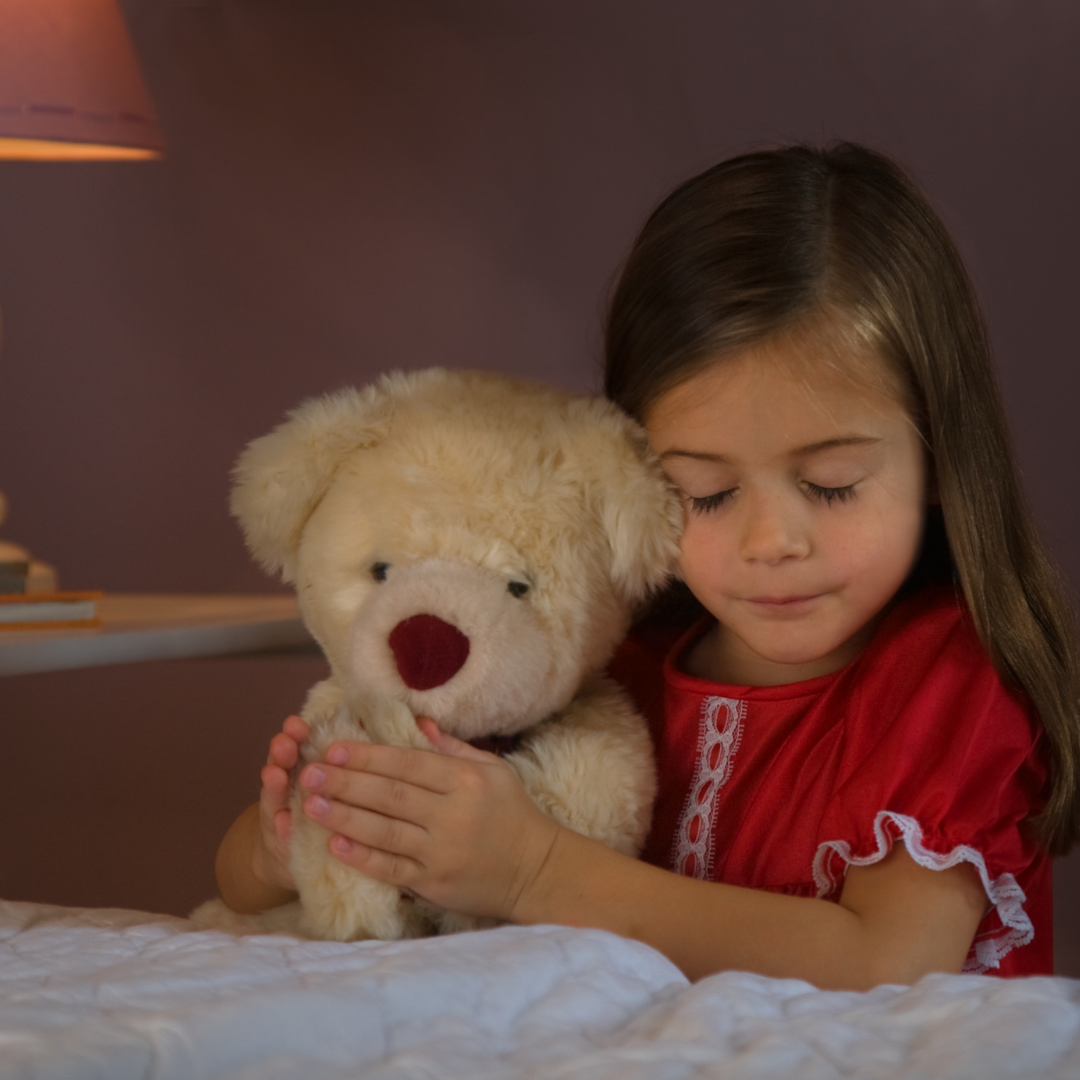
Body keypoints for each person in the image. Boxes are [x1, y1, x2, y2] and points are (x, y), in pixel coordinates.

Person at [214, 143, 1080, 989]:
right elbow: (240, 881)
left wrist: (536, 872)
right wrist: (293, 838)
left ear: (939, 456)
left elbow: (884, 963)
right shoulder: (604, 678)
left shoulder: (949, 685)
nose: (771, 540)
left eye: (831, 484)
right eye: (703, 493)